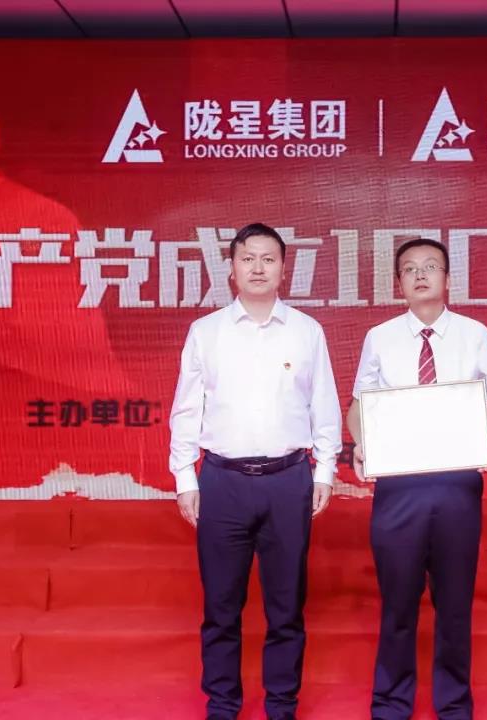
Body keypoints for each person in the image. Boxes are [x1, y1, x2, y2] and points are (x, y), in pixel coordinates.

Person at [169, 223, 342, 720]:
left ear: (284, 269)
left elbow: (323, 404)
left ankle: (281, 705)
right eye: (248, 259)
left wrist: (325, 471)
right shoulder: (206, 332)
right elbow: (187, 410)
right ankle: (222, 705)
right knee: (221, 607)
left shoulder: (307, 331)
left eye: (269, 259)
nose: (258, 268)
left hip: (289, 480)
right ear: (231, 268)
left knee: (286, 607)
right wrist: (185, 477)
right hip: (222, 481)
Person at [345, 238, 487, 720]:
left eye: (430, 266)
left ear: (447, 279)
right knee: (398, 602)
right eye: (410, 269)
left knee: (454, 603)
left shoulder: (475, 334)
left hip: (457, 483)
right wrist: (362, 444)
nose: (420, 275)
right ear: (398, 283)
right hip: (399, 487)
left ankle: (454, 704)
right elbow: (359, 405)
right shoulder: (380, 337)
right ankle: (391, 703)